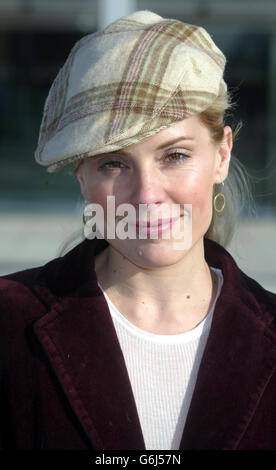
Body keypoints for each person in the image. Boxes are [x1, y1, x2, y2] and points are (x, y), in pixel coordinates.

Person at [0, 10, 276, 451]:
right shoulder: (8, 324)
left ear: (221, 155)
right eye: (113, 163)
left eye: (175, 155)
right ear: (82, 177)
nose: (147, 194)